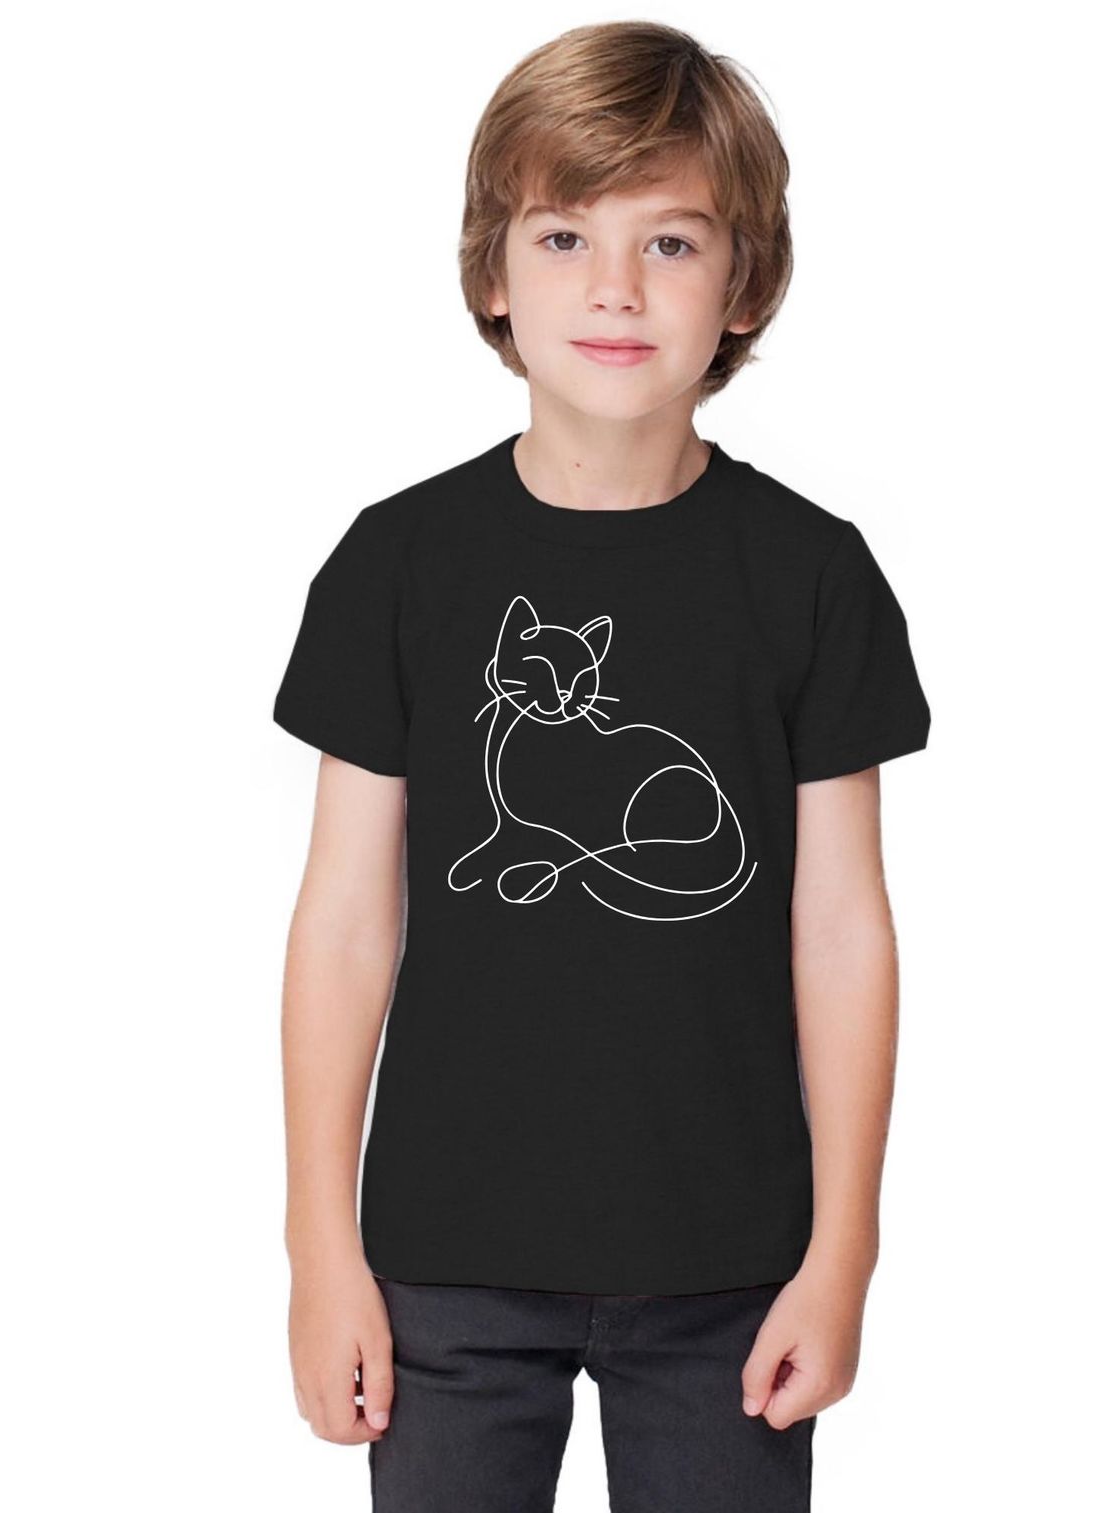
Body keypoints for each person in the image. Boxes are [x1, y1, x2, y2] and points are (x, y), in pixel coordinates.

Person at [273, 21, 932, 1512]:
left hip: (730, 1265)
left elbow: (842, 931)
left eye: (671, 241)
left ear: (745, 283)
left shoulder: (813, 577)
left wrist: (844, 1253)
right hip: (443, 1254)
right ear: (493, 275)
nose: (617, 287)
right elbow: (344, 923)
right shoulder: (398, 566)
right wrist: (320, 1245)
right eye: (565, 235)